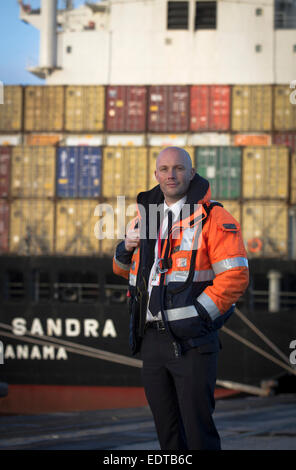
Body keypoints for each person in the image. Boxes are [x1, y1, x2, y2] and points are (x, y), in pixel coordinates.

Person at [113, 147, 249, 450]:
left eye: (178, 168)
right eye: (164, 169)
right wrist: (124, 247)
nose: (170, 175)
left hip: (192, 344)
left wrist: (198, 319)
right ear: (155, 175)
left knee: (198, 432)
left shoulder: (214, 217)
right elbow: (125, 272)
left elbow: (235, 277)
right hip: (151, 342)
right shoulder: (145, 216)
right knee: (168, 433)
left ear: (191, 172)